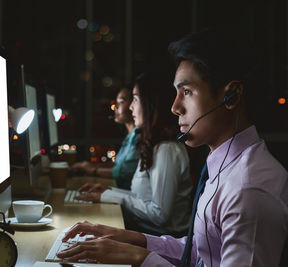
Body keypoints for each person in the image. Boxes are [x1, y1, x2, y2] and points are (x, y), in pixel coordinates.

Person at [56, 28, 288, 267]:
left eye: (186, 92)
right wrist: (132, 239)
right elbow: (201, 253)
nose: (175, 107)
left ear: (232, 97)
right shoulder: (225, 164)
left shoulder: (248, 190)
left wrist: (138, 257)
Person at [74, 73, 192, 236]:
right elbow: (142, 199)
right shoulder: (153, 145)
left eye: (135, 99)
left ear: (151, 104)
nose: (131, 107)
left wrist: (112, 196)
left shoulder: (167, 149)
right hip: (145, 231)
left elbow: (160, 215)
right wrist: (108, 191)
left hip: (159, 238)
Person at [71, 87, 139, 190]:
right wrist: (90, 165)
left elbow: (124, 173)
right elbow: (118, 166)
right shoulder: (130, 136)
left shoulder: (139, 137)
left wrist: (93, 170)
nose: (115, 106)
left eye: (121, 102)